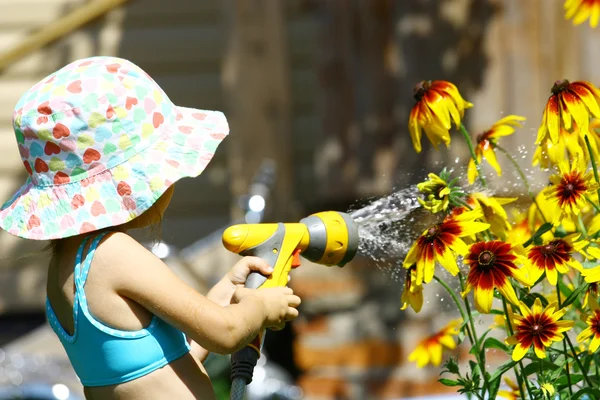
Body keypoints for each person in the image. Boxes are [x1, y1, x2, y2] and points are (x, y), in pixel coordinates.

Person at [0, 56, 301, 399]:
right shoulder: (115, 253)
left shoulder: (67, 270)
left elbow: (171, 360)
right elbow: (227, 332)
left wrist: (225, 292)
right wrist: (261, 308)